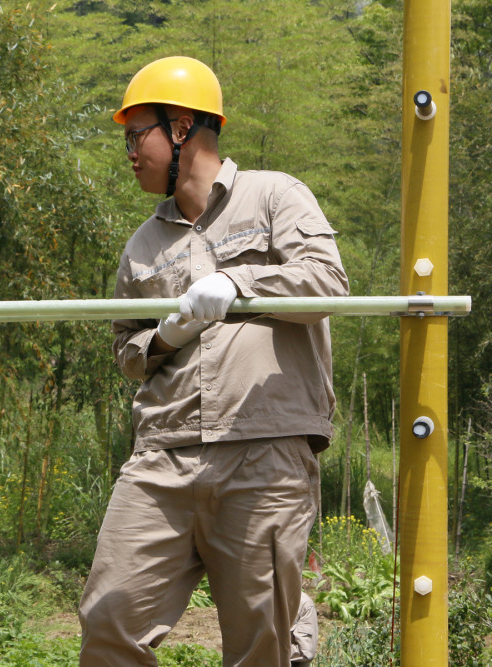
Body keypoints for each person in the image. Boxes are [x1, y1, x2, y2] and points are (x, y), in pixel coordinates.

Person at [77, 56, 348, 666]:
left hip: (266, 449)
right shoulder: (143, 245)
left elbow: (328, 283)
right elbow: (128, 351)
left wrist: (239, 281)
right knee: (108, 621)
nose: (129, 151)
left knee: (262, 645)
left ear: (179, 127)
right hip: (163, 456)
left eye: (135, 134)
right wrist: (166, 336)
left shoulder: (275, 195)